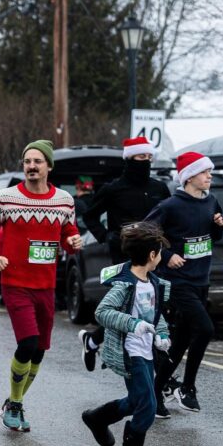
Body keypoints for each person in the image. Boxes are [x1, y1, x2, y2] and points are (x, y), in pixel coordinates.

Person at [0, 140, 82, 432]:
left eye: (37, 161)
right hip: (15, 283)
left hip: (46, 285)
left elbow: (68, 235)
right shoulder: (6, 198)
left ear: (49, 166)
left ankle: (13, 401)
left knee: (40, 350)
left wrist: (73, 242)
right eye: (27, 161)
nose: (31, 166)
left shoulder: (64, 200)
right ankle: (16, 405)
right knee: (28, 342)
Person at [82, 222, 170, 446]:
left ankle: (98, 418)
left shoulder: (154, 283)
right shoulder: (125, 284)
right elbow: (102, 312)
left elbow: (156, 316)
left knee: (136, 401)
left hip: (146, 351)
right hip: (131, 352)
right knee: (148, 405)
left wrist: (163, 335)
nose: (161, 257)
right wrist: (133, 324)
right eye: (160, 253)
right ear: (152, 255)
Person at [78, 137, 171, 382]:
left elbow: (169, 218)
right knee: (129, 306)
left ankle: (94, 340)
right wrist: (106, 236)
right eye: (141, 157)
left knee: (146, 307)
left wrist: (167, 248)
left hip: (153, 256)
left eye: (149, 157)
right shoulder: (113, 189)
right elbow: (89, 216)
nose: (146, 161)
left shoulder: (159, 188)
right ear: (129, 158)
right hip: (124, 255)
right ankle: (147, 372)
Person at [146, 151, 223, 413]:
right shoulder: (170, 206)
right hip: (178, 282)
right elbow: (144, 234)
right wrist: (167, 255)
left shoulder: (211, 201)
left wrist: (218, 226)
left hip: (202, 279)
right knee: (205, 329)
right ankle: (187, 388)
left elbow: (214, 238)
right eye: (205, 172)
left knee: (180, 341)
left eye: (210, 172)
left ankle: (155, 394)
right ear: (189, 177)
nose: (210, 176)